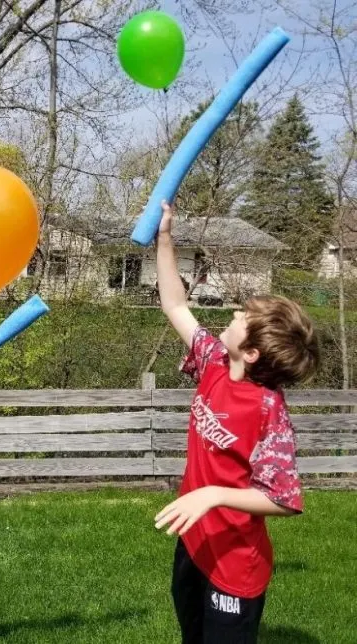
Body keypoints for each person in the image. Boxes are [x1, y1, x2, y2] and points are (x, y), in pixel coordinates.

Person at [152, 201, 319, 643]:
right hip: (193, 539)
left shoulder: (267, 411)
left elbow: (284, 499)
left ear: (252, 354)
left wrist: (210, 494)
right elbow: (174, 303)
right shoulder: (211, 362)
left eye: (243, 318)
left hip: (235, 567)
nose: (234, 315)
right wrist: (165, 239)